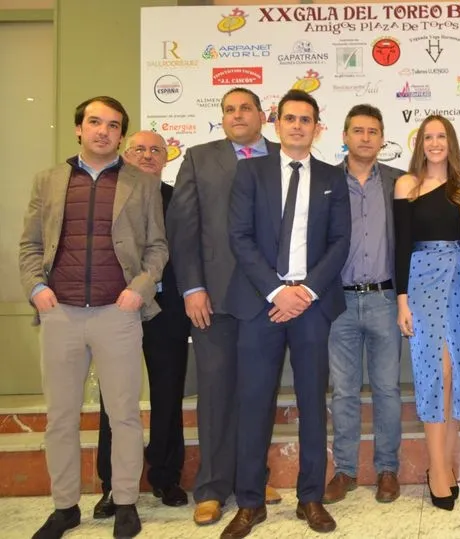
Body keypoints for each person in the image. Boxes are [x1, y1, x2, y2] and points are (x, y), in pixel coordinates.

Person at [19, 96, 167, 539]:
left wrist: (138, 290)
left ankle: (125, 502)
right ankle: (64, 507)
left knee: (122, 414)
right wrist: (36, 288)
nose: (103, 131)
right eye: (94, 122)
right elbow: (29, 245)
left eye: (113, 125)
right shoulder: (48, 181)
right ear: (78, 129)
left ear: (122, 135)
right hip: (59, 312)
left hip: (117, 314)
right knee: (61, 417)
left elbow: (157, 247)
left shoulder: (142, 184)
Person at [221, 89, 350, 537]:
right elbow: (239, 237)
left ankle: (310, 498)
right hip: (260, 305)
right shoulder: (250, 172)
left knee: (313, 403)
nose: (298, 126)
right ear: (277, 124)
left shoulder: (334, 177)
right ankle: (250, 502)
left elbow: (340, 244)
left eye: (306, 119)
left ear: (318, 128)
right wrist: (277, 291)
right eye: (291, 118)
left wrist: (306, 291)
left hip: (313, 307)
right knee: (254, 403)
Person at [166, 87, 282, 526]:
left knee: (260, 392)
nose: (237, 115)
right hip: (214, 298)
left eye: (245, 108)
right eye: (229, 109)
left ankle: (252, 478)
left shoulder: (281, 156)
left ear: (261, 115)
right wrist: (192, 287)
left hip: (270, 299)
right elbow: (183, 229)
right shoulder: (198, 158)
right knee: (215, 391)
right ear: (222, 118)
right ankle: (212, 488)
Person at [93, 132, 191, 521]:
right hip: (117, 307)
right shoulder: (108, 197)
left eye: (156, 150)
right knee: (114, 401)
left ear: (166, 159)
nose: (148, 156)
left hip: (167, 308)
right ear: (124, 154)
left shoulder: (178, 200)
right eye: (140, 149)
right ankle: (112, 486)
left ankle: (166, 477)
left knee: (169, 395)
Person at [393, 115, 460, 511]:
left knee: (458, 373)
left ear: (451, 142)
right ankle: (437, 469)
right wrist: (402, 300)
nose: (434, 143)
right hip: (422, 279)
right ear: (419, 143)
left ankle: (442, 466)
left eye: (440, 136)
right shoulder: (406, 185)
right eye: (427, 137)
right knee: (437, 372)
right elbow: (399, 247)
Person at [324, 105, 405, 505]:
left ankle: (387, 469)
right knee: (344, 391)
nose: (366, 137)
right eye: (358, 130)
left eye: (374, 131)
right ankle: (345, 471)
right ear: (345, 135)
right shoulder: (325, 181)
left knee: (388, 389)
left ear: (382, 138)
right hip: (338, 301)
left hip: (386, 300)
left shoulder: (398, 182)